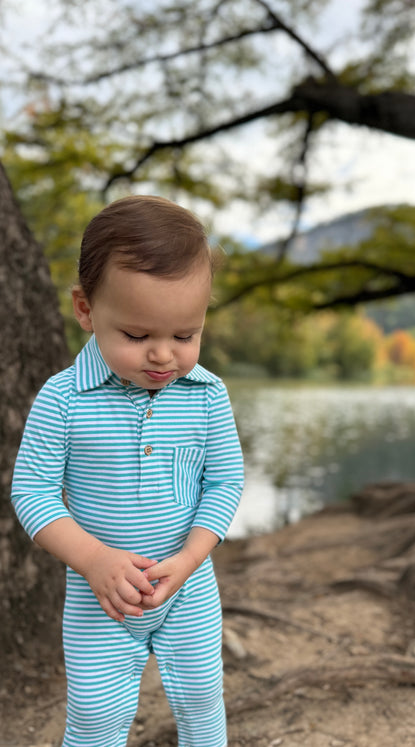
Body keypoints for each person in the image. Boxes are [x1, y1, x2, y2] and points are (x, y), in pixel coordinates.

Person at [11, 195, 244, 747]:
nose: (163, 355)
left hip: (187, 586)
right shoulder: (64, 399)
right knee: (95, 717)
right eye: (138, 337)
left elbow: (225, 481)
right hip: (101, 597)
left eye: (185, 336)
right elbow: (33, 491)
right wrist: (94, 559)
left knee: (201, 700)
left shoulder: (207, 396)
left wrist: (189, 558)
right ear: (86, 310)